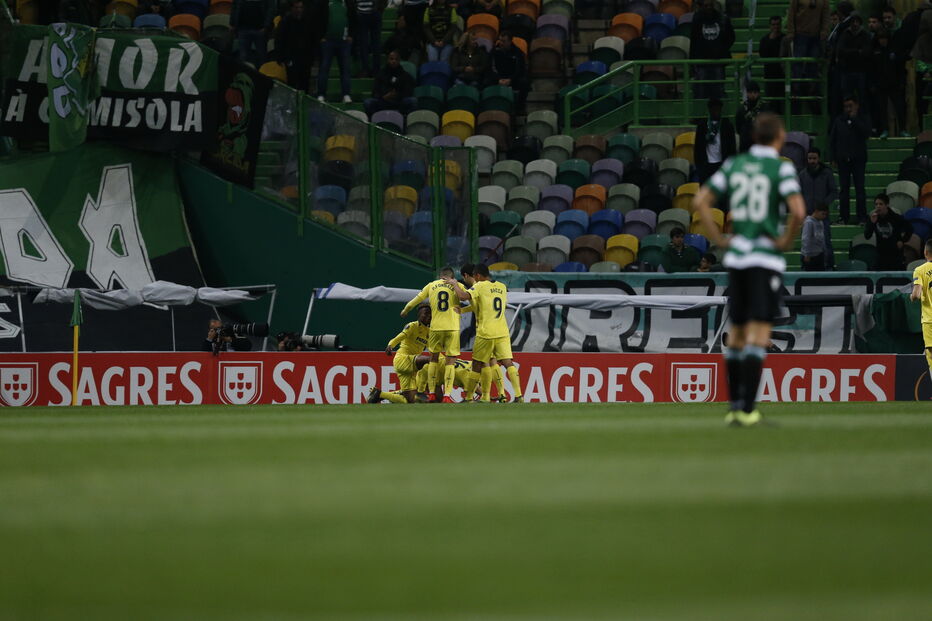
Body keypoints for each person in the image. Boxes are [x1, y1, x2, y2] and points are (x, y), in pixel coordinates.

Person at [693, 112, 807, 427]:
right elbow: (798, 210)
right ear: (779, 138)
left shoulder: (734, 164)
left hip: (737, 258)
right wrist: (784, 239)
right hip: (764, 258)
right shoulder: (780, 168)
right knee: (759, 333)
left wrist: (720, 240)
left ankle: (734, 408)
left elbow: (701, 200)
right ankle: (748, 410)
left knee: (738, 333)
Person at [447, 263, 524, 403]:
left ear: (477, 275)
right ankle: (518, 396)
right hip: (502, 331)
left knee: (477, 364)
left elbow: (463, 296)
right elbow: (487, 306)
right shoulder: (502, 287)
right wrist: (463, 311)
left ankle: (470, 397)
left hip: (485, 332)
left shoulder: (480, 286)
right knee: (507, 362)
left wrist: (454, 284)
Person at [400, 266, 461, 403]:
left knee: (433, 359)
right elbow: (468, 297)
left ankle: (432, 393)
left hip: (435, 328)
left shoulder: (431, 285)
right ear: (451, 277)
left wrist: (406, 310)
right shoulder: (457, 285)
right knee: (450, 362)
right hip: (452, 328)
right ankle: (447, 395)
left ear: (440, 276)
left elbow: (417, 299)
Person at [459, 264, 508, 401]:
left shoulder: (477, 286)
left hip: (485, 330)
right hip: (496, 328)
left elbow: (472, 303)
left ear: (467, 276)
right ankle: (500, 394)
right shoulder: (490, 286)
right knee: (491, 361)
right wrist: (463, 311)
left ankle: (481, 396)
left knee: (484, 362)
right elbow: (477, 307)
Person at [369, 304, 431, 403]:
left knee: (410, 401)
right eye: (425, 313)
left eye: (430, 314)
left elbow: (434, 349)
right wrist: (391, 345)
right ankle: (422, 390)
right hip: (403, 359)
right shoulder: (412, 326)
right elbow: (401, 336)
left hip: (411, 368)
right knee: (428, 360)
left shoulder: (429, 332)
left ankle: (378, 394)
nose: (428, 316)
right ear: (419, 315)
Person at [830, 95, 871, 224]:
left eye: (850, 106)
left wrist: (855, 119)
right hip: (843, 160)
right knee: (844, 190)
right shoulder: (839, 120)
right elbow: (833, 140)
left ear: (857, 105)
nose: (848, 109)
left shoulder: (863, 118)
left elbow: (866, 133)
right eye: (846, 106)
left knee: (860, 189)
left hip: (858, 159)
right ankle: (843, 217)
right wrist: (833, 157)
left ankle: (862, 217)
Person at [798, 146, 837, 268]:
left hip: (822, 215)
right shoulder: (802, 174)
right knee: (806, 240)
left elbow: (834, 191)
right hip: (808, 214)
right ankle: (806, 265)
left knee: (825, 241)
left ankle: (829, 266)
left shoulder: (827, 173)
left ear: (819, 158)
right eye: (810, 158)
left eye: (814, 158)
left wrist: (824, 205)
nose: (812, 161)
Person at [689, 0, 735, 100]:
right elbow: (694, 40)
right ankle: (700, 115)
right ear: (702, 5)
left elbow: (731, 37)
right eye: (706, 5)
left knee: (718, 91)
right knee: (701, 92)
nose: (708, 7)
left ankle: (718, 115)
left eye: (710, 5)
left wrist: (721, 50)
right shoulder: (697, 18)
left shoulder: (722, 18)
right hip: (702, 62)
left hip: (717, 61)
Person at [786, 0, 830, 104]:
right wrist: (791, 31)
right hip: (800, 34)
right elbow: (791, 13)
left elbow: (826, 16)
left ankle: (813, 90)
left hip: (816, 36)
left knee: (813, 63)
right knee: (798, 63)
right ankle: (796, 90)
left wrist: (825, 31)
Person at [869, 29, 908, 138]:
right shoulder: (875, 51)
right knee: (882, 109)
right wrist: (873, 83)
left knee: (899, 107)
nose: (883, 41)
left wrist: (901, 82)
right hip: (880, 85)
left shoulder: (893, 50)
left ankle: (903, 129)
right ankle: (885, 130)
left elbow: (900, 68)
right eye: (881, 38)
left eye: (885, 38)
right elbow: (871, 69)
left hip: (894, 84)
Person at [317, 0, 355, 104]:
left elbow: (353, 18)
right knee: (324, 68)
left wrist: (351, 35)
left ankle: (346, 94)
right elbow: (318, 19)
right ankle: (321, 94)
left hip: (344, 42)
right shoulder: (325, 3)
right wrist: (321, 36)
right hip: (328, 41)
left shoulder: (348, 3)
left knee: (345, 69)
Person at [275, 0, 316, 92]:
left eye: (300, 7)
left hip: (305, 57)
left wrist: (312, 57)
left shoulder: (308, 21)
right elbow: (280, 39)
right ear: (292, 8)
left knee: (305, 82)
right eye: (296, 7)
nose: (299, 10)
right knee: (292, 82)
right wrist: (280, 57)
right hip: (291, 57)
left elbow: (312, 39)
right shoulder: (286, 21)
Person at [864, 193, 913, 271]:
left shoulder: (896, 218)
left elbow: (910, 228)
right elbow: (867, 236)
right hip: (881, 254)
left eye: (881, 204)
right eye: (876, 204)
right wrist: (872, 223)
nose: (878, 206)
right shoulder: (874, 218)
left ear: (887, 205)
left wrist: (902, 241)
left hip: (895, 254)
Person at [836, 12, 871, 114]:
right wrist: (857, 51)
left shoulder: (865, 35)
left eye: (857, 21)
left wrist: (849, 52)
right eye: (853, 21)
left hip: (860, 71)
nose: (855, 24)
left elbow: (866, 52)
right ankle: (848, 120)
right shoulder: (845, 34)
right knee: (846, 98)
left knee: (862, 98)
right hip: (847, 71)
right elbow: (840, 51)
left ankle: (862, 121)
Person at [694, 98, 736, 183]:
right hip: (706, 165)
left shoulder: (727, 125)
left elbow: (732, 147)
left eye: (718, 109)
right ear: (709, 110)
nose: (716, 111)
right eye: (713, 109)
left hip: (722, 164)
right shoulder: (702, 125)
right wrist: (700, 166)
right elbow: (697, 147)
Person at [364, 50, 418, 115]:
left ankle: (405, 122)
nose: (394, 61)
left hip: (399, 102)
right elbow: (375, 91)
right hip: (383, 101)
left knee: (413, 101)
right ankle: (374, 122)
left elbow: (409, 92)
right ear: (388, 60)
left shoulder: (405, 75)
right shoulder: (381, 74)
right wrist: (384, 96)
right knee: (368, 102)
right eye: (391, 59)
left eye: (396, 59)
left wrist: (397, 95)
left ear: (399, 61)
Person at [909, 240, 932, 387]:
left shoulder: (920, 270)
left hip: (930, 320)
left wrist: (911, 297)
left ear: (925, 252)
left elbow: (916, 295)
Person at [759, 16, 791, 113]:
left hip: (782, 76)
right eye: (773, 24)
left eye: (778, 24)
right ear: (770, 26)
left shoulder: (785, 39)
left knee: (782, 103)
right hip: (770, 76)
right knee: (771, 103)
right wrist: (771, 39)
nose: (776, 27)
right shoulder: (764, 40)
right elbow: (763, 55)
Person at [231, 0, 277, 67]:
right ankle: (244, 76)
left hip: (260, 29)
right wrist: (232, 23)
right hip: (243, 28)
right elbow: (235, 6)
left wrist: (266, 26)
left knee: (262, 57)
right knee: (243, 57)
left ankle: (261, 76)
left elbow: (271, 9)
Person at [490, 31, 527, 109]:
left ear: (510, 41)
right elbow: (491, 67)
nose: (501, 43)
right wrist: (498, 79)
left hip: (512, 78)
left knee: (524, 83)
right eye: (500, 40)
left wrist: (510, 79)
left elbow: (520, 69)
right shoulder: (494, 51)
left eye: (504, 41)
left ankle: (519, 109)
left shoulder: (518, 52)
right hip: (498, 77)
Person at [354, 0, 386, 78]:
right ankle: (374, 70)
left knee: (366, 44)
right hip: (368, 13)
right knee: (371, 43)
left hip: (365, 13)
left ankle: (367, 70)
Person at [736, 81, 765, 152]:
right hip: (745, 144)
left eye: (755, 92)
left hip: (760, 143)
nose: (752, 95)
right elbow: (738, 128)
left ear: (758, 93)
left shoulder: (764, 108)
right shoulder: (741, 109)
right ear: (747, 93)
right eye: (750, 92)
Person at [801, 204, 829, 271]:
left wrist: (824, 251)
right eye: (823, 214)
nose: (824, 216)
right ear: (816, 211)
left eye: (826, 214)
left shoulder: (821, 222)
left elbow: (822, 238)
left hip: (819, 254)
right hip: (810, 256)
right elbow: (806, 239)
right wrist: (807, 254)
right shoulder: (809, 222)